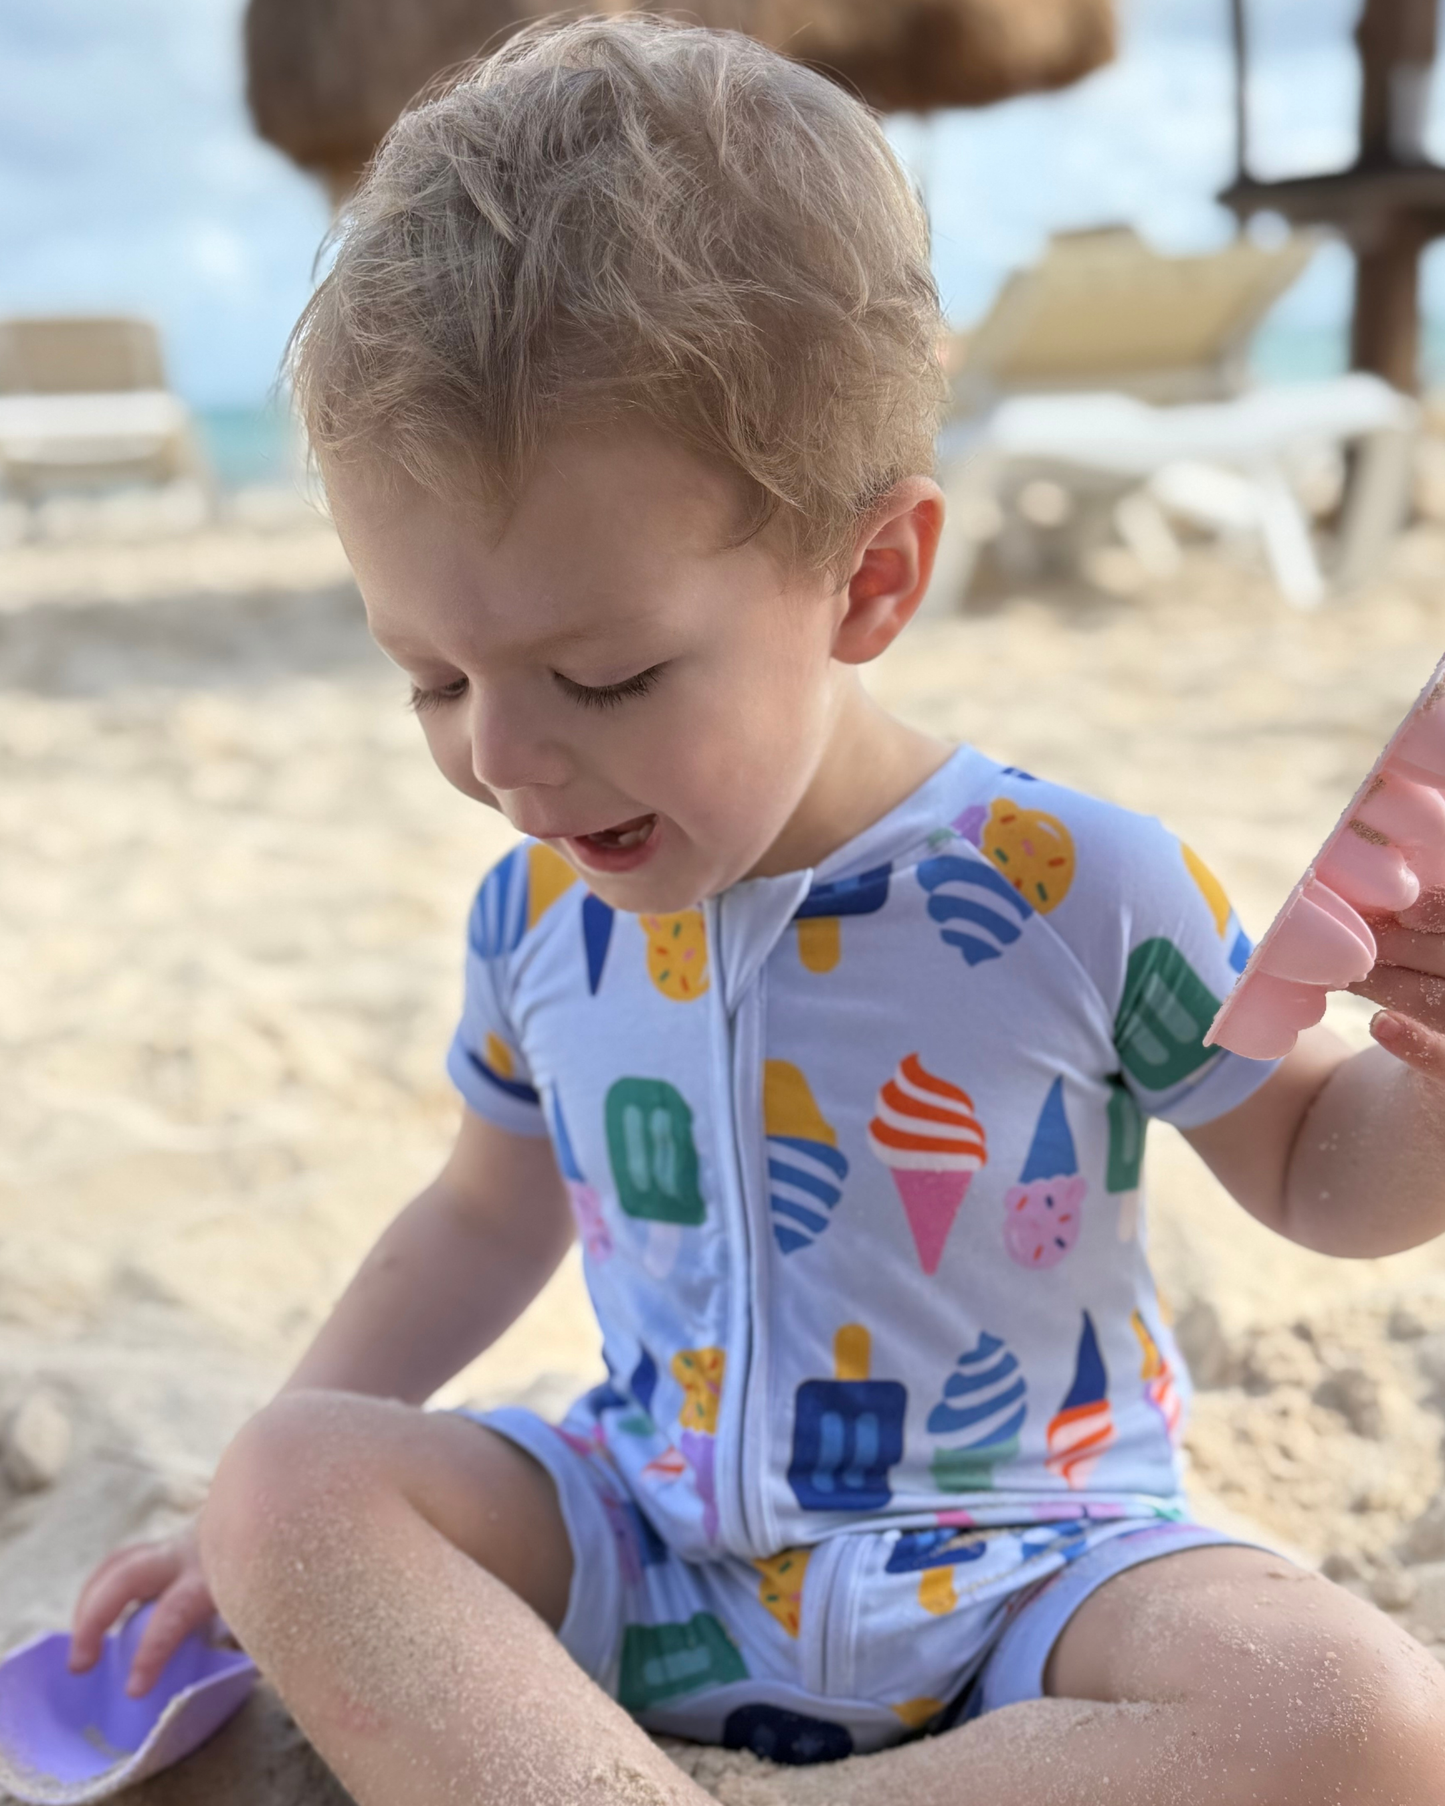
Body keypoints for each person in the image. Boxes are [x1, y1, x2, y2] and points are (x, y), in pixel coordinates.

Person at [69, 17, 1445, 1804]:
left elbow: (1322, 1170)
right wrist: (252, 1501)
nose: (507, 763)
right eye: (429, 679)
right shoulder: (537, 916)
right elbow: (485, 1214)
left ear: (868, 577)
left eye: (609, 674)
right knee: (285, 1484)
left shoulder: (1070, 881)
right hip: (647, 1542)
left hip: (1032, 1556)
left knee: (1365, 1720)